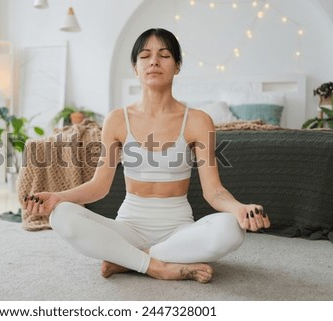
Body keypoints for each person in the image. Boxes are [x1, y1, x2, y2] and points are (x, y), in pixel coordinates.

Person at [23, 28, 271, 283]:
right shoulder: (117, 119)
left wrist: (239, 209)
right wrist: (57, 198)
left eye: (164, 55)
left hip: (179, 231)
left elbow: (214, 191)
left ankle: (131, 260)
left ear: (177, 66)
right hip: (128, 228)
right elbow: (99, 186)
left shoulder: (198, 121)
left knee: (232, 230)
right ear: (135, 68)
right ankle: (158, 266)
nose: (154, 61)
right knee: (61, 215)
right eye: (145, 55)